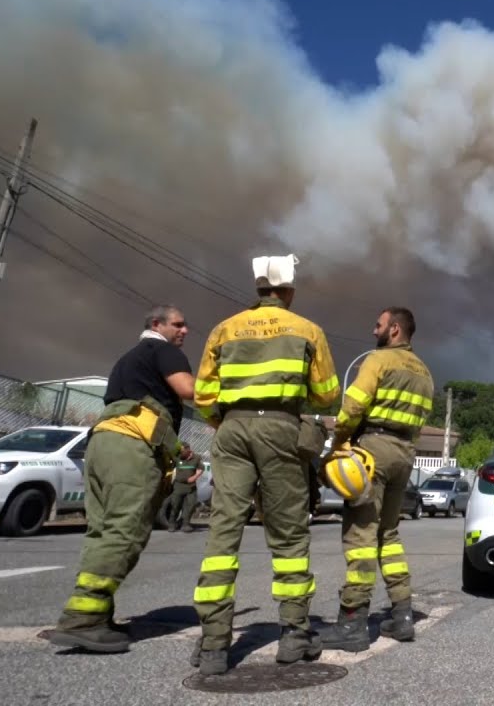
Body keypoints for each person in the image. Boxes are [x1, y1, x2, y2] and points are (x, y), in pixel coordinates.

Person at [189, 254, 340, 676]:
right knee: (289, 535)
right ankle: (294, 635)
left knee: (223, 531)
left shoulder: (225, 328)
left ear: (258, 288)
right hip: (280, 428)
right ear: (288, 290)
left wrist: (227, 423)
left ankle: (214, 645)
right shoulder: (307, 330)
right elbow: (327, 394)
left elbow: (203, 394)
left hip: (232, 429)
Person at [47, 305, 194, 653]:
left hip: (102, 445)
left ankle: (98, 614)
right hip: (131, 449)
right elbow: (188, 390)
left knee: (102, 530)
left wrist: (177, 448)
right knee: (125, 530)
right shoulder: (164, 350)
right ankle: (82, 619)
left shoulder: (128, 360)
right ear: (157, 325)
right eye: (178, 324)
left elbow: (140, 410)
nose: (184, 330)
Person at [320, 307, 434, 652]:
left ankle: (352, 622)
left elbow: (353, 407)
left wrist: (339, 442)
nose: (374, 331)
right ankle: (402, 615)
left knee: (361, 536)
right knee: (389, 535)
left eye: (379, 325)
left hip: (373, 451)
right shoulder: (424, 372)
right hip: (404, 454)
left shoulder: (379, 360)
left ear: (395, 329)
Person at [163, 442, 204, 532]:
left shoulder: (196, 458)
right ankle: (172, 524)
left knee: (190, 505)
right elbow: (169, 454)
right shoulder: (177, 457)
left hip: (191, 487)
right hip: (179, 486)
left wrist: (194, 477)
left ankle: (186, 524)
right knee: (175, 505)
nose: (181, 453)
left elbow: (201, 468)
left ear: (188, 449)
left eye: (182, 451)